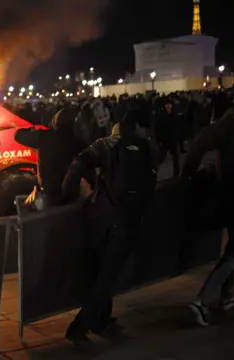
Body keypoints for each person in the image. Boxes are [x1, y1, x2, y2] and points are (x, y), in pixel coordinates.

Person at [60, 108, 159, 344]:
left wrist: (68, 194)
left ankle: (101, 320)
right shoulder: (150, 148)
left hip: (101, 214)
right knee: (108, 275)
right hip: (128, 219)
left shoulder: (105, 144)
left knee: (99, 271)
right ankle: (79, 328)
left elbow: (77, 165)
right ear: (140, 127)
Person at [183, 86, 234, 327]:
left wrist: (187, 173)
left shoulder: (228, 123)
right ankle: (202, 300)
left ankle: (227, 295)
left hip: (228, 193)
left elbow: (199, 143)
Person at [14, 108, 90, 209]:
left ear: (55, 122)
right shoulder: (79, 143)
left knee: (25, 210)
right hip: (72, 196)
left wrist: (31, 129)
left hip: (48, 196)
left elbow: (18, 135)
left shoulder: (43, 136)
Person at [154, 100, 180, 177]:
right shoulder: (161, 116)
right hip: (165, 140)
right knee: (160, 157)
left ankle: (176, 173)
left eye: (170, 105)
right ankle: (153, 171)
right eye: (167, 105)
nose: (169, 107)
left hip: (172, 139)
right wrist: (158, 140)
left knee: (175, 157)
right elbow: (157, 129)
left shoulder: (173, 115)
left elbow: (176, 127)